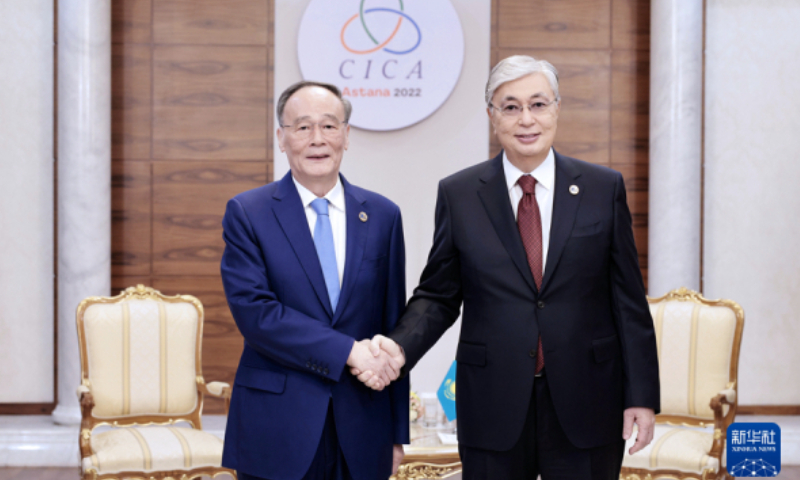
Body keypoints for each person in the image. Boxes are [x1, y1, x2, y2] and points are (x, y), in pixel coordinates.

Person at [354, 55, 661, 479]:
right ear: (491, 116)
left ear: (556, 109)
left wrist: (641, 395)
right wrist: (399, 347)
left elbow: (628, 300)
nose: (526, 119)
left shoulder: (602, 188)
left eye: (538, 104)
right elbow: (439, 295)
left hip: (588, 399)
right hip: (493, 401)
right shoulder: (460, 194)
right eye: (511, 106)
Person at [220, 80, 408, 480]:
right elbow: (257, 316)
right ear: (281, 139)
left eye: (329, 125)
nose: (317, 139)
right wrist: (348, 352)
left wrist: (396, 433)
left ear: (346, 135)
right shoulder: (248, 213)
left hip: (362, 425)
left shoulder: (382, 215)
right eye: (302, 127)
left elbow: (393, 324)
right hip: (277, 426)